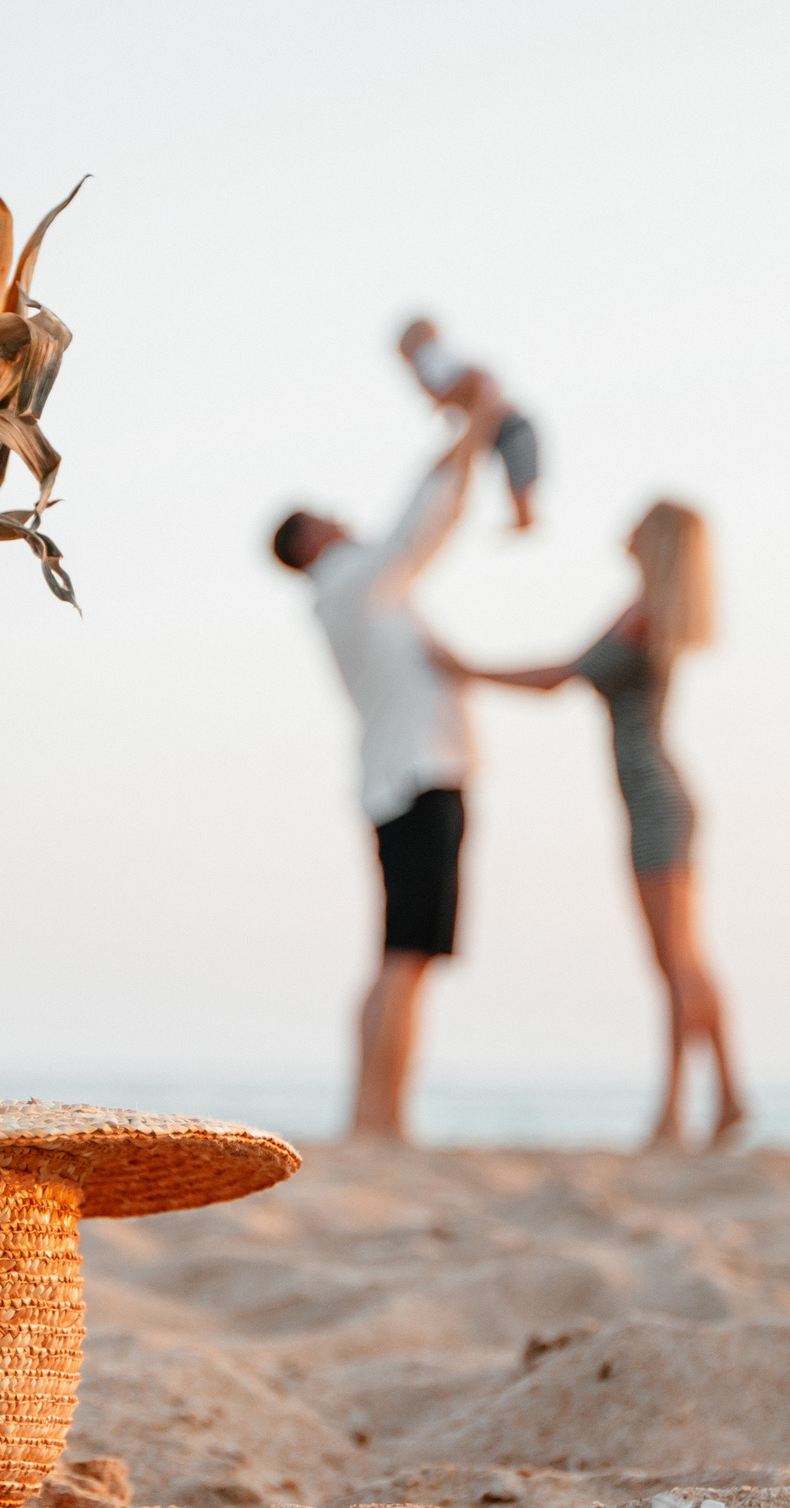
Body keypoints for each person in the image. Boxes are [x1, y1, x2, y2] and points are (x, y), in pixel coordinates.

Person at [432, 500, 748, 1152]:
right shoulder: (647, 611)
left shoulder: (643, 617)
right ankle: (727, 1100)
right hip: (659, 797)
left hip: (656, 800)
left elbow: (560, 675)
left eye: (639, 522)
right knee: (685, 959)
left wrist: (468, 669)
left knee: (674, 961)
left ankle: (675, 1110)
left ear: (657, 540)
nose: (625, 526)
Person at [271, 410, 502, 1143]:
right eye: (326, 517)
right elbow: (419, 524)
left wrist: (463, 441)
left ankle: (373, 1113)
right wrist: (478, 424)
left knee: (399, 958)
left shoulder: (362, 594)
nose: (342, 519)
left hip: (406, 780)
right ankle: (383, 1118)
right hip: (419, 780)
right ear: (311, 542)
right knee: (407, 958)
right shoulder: (349, 583)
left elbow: (425, 523)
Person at [399, 318, 539, 531]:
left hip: (503, 422)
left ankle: (521, 523)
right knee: (511, 483)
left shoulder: (430, 359)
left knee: (514, 485)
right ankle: (521, 522)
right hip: (496, 421)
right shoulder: (434, 359)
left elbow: (478, 378)